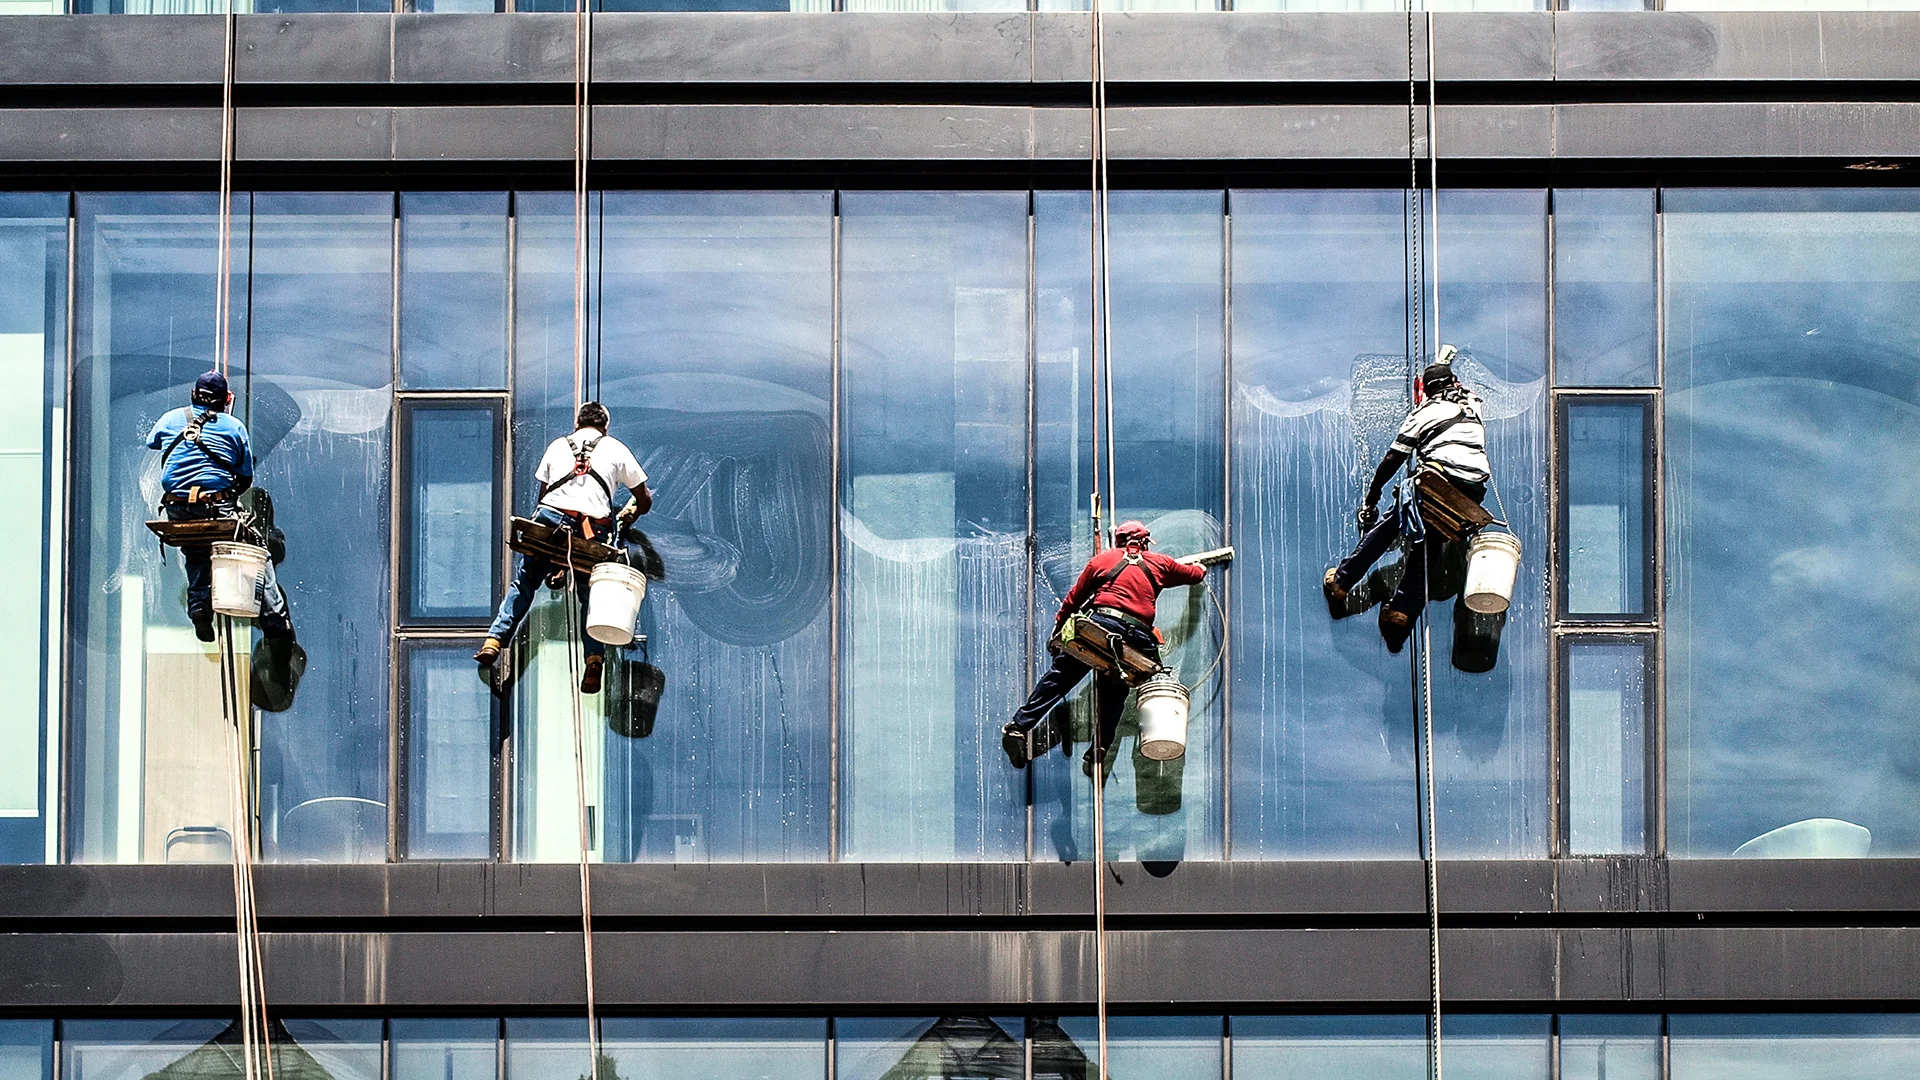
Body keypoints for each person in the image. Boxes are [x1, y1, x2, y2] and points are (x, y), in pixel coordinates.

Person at [1001, 520, 1207, 773]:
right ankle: (1100, 748)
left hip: (1101, 626)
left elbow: (1073, 599)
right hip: (1136, 638)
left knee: (1060, 678)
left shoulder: (1102, 561)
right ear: (1144, 542)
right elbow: (1195, 575)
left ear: (1118, 542)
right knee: (1115, 689)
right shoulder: (1160, 563)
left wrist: (1058, 630)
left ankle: (1019, 727)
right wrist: (1199, 567)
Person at [475, 401, 652, 694]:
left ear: (577, 424)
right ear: (605, 427)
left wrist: (554, 561)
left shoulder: (558, 446)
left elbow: (544, 497)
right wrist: (634, 511)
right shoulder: (615, 448)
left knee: (525, 583)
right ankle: (594, 659)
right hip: (591, 531)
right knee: (591, 596)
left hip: (550, 520)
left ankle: (494, 640)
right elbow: (643, 497)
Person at [1323, 346, 1491, 653]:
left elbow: (1393, 459)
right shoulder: (1473, 404)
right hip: (1472, 493)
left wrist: (1372, 496)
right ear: (1453, 384)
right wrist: (1442, 368)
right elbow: (1456, 388)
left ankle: (1342, 581)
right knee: (1428, 544)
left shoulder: (1424, 413)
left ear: (1428, 392)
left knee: (1394, 520)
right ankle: (1400, 611)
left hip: (1441, 482)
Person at [147, 370, 293, 644]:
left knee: (197, 553)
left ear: (193, 394)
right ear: (226, 400)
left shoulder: (170, 419)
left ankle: (199, 608)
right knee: (256, 550)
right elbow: (245, 475)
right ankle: (274, 618)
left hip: (177, 508)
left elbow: (152, 441)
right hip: (216, 506)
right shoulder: (234, 427)